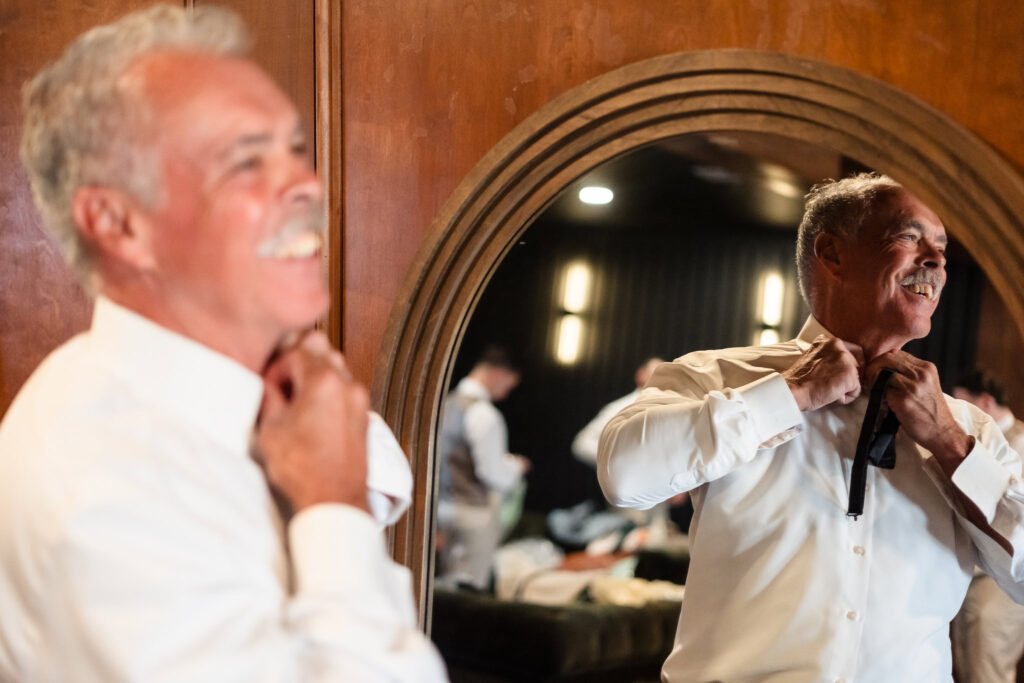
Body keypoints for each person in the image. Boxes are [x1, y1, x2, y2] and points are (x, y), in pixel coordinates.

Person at [0, 5, 446, 681]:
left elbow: (383, 472)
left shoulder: (252, 395)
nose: (307, 183)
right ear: (117, 223)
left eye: (295, 148)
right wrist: (333, 503)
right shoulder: (106, 490)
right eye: (246, 160)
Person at [598, 172, 1024, 682]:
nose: (935, 261)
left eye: (942, 249)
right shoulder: (715, 376)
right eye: (910, 238)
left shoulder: (967, 428)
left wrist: (950, 444)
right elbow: (623, 474)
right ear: (831, 253)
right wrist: (789, 394)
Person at [436, 346, 530, 589]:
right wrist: (516, 467)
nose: (507, 392)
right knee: (467, 590)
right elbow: (492, 474)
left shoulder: (443, 405)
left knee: (440, 587)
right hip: (472, 514)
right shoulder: (484, 414)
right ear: (498, 373)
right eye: (509, 384)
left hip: (439, 509)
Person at [952, 371, 1024, 682]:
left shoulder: (1020, 441)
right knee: (964, 666)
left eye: (962, 404)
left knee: (987, 668)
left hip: (1004, 582)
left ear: (984, 401)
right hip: (970, 574)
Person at [571, 357, 663, 465]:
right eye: (656, 373)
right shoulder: (619, 408)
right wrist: (619, 461)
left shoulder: (672, 408)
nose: (661, 378)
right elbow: (582, 443)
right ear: (640, 375)